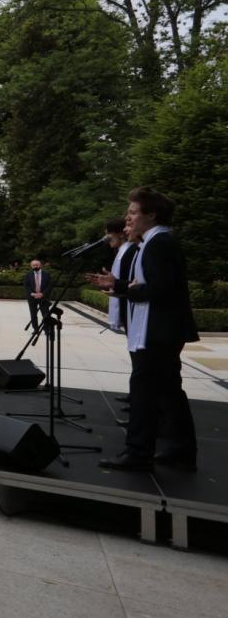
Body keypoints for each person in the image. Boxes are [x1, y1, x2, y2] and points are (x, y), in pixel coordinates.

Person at [88, 188, 199, 472]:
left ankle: (138, 454)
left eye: (134, 212)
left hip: (159, 330)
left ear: (151, 214)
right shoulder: (155, 241)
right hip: (163, 329)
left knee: (144, 390)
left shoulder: (159, 242)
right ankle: (181, 449)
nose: (129, 217)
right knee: (168, 390)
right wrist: (120, 285)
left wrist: (127, 289)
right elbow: (153, 285)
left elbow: (161, 289)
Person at [103, 219, 135, 333]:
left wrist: (115, 283)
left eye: (108, 234)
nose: (106, 238)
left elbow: (132, 281)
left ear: (121, 234)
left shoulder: (130, 251)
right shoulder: (121, 252)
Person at [24, 259, 52, 335]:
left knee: (45, 314)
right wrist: (32, 294)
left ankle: (47, 330)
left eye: (37, 265)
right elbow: (26, 286)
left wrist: (42, 294)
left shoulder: (46, 274)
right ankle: (36, 329)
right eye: (33, 265)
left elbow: (49, 286)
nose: (35, 266)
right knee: (33, 314)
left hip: (43, 297)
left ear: (40, 265)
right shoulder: (28, 274)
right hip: (32, 298)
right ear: (31, 266)